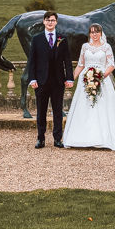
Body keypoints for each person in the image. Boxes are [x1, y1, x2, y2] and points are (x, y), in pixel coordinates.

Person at [62, 23, 115, 151]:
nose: (94, 34)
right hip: (85, 80)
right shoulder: (85, 47)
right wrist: (71, 78)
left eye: (96, 32)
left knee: (101, 107)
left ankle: (102, 138)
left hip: (101, 79)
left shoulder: (106, 47)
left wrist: (99, 77)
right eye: (91, 32)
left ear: (101, 33)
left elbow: (111, 65)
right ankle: (81, 138)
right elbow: (80, 64)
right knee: (84, 107)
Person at [27, 11, 73, 148]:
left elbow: (67, 61)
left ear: (56, 22)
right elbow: (32, 61)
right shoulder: (36, 39)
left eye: (52, 20)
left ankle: (57, 139)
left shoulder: (62, 39)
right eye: (47, 20)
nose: (50, 22)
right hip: (41, 81)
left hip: (58, 81)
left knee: (58, 111)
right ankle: (40, 139)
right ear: (44, 22)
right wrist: (32, 79)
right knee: (41, 111)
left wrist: (69, 78)